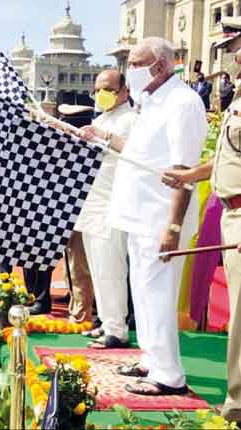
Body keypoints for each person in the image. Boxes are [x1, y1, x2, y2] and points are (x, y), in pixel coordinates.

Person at [165, 15, 241, 425]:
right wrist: (191, 175)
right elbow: (235, 156)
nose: (228, 59)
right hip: (240, 213)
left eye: (231, 50)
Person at [96, 37, 207, 396]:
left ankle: (169, 374)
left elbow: (184, 168)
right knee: (142, 292)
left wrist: (173, 227)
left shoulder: (182, 103)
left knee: (157, 293)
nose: (131, 71)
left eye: (136, 64)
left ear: (160, 66)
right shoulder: (152, 102)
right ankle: (151, 359)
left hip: (160, 217)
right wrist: (101, 137)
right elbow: (141, 152)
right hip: (139, 214)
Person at [76, 69, 138, 348]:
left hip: (113, 204)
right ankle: (105, 321)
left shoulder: (132, 119)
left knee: (111, 268)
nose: (102, 94)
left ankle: (117, 329)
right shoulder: (100, 118)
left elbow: (137, 152)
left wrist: (104, 135)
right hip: (93, 202)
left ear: (124, 91)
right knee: (98, 267)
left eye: (109, 89)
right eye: (98, 89)